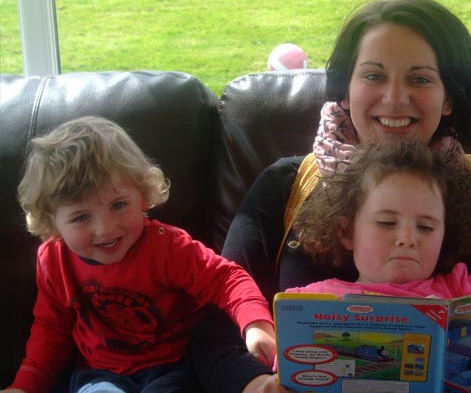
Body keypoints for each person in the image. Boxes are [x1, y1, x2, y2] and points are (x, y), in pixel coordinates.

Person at [199, 0, 471, 392]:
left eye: (420, 79)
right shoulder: (284, 187)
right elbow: (214, 328)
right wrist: (256, 384)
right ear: (344, 91)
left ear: (449, 97)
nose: (396, 98)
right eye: (374, 76)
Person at [3, 117, 275, 393]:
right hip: (99, 375)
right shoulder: (54, 260)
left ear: (143, 196)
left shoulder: (166, 247)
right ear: (52, 223)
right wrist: (24, 386)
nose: (105, 229)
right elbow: (50, 331)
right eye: (81, 217)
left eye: (118, 205)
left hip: (175, 368)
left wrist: (255, 324)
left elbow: (226, 278)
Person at [285, 141, 471, 297]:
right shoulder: (313, 300)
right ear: (346, 232)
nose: (407, 238)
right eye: (387, 223)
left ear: (445, 235)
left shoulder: (460, 289)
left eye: (425, 226)